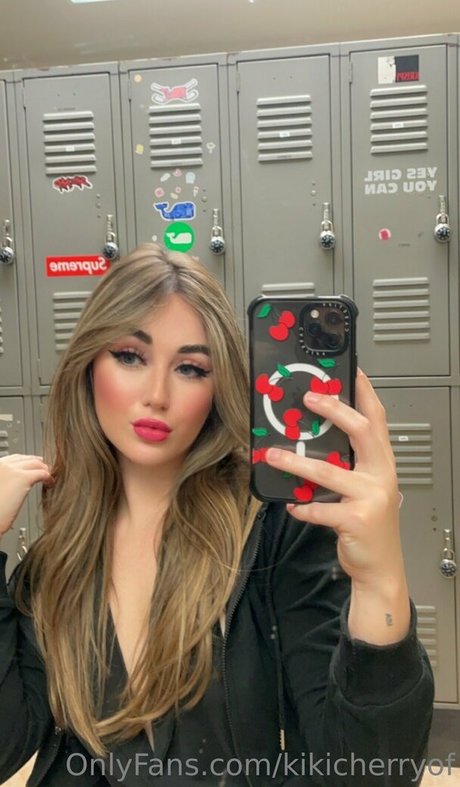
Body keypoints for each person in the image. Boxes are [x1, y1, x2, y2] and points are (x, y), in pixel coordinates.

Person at [0, 243, 433, 786]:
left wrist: (380, 582)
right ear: (88, 366)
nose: (156, 395)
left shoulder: (276, 535)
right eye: (130, 356)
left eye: (190, 368)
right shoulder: (55, 562)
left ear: (217, 386)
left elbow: (370, 772)